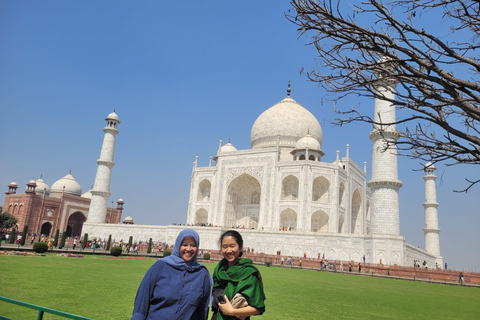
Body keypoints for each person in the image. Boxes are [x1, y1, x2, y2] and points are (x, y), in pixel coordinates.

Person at [131, 229, 212, 320]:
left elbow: (203, 309)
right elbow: (143, 299)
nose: (188, 249)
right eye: (184, 245)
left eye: (193, 245)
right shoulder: (161, 266)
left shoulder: (201, 274)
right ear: (178, 245)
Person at [211, 230, 266, 320]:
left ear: (240, 248)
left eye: (232, 246)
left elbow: (257, 308)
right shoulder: (219, 270)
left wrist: (232, 311)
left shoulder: (249, 273)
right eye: (225, 246)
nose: (228, 250)